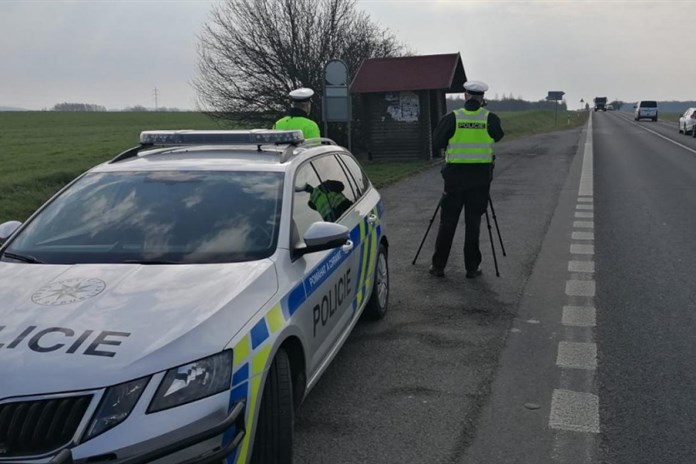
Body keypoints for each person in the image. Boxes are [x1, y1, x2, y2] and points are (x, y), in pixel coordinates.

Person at [429, 80, 504, 278]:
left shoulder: (452, 118)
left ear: (465, 96)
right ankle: (472, 267)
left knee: (448, 223)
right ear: (482, 98)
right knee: (473, 224)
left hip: (454, 181)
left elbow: (437, 141)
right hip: (480, 181)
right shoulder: (490, 118)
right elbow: (498, 136)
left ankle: (438, 266)